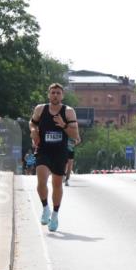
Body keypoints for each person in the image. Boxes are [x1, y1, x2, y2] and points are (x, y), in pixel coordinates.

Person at [29, 83, 79, 232]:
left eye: (58, 93)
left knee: (57, 184)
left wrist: (63, 125)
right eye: (53, 93)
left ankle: (55, 215)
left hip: (60, 152)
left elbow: (75, 135)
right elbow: (32, 123)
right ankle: (45, 209)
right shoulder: (40, 109)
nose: (55, 95)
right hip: (43, 149)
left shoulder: (69, 112)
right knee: (41, 180)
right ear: (48, 94)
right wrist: (33, 131)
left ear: (62, 95)